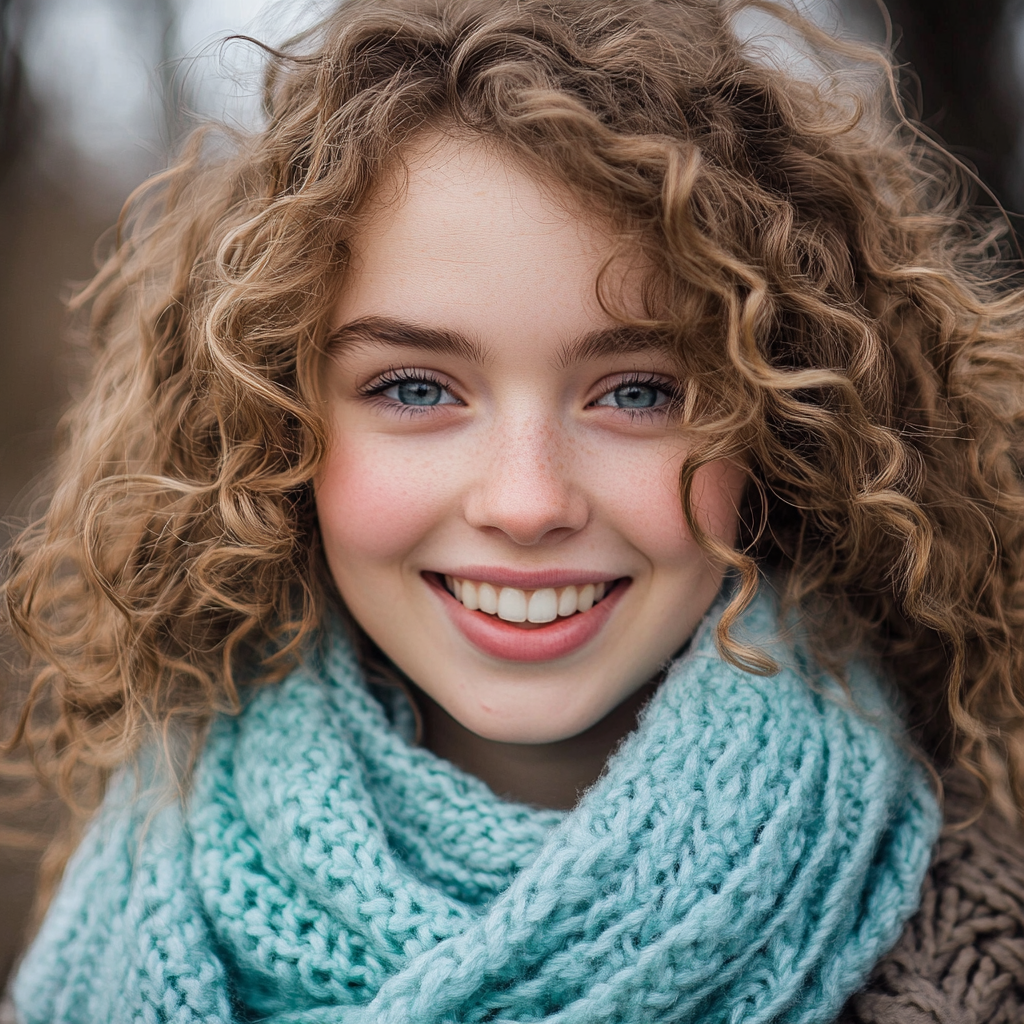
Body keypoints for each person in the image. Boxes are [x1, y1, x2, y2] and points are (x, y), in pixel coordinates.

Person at [4, 0, 1024, 1020]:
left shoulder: (981, 964)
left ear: (789, 418)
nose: (526, 501)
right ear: (268, 423)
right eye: (414, 388)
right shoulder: (117, 934)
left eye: (638, 392)